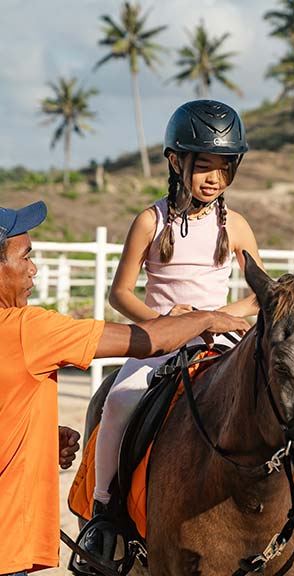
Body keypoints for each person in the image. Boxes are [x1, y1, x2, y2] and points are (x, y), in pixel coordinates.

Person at [0, 200, 249, 576]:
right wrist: (207, 316)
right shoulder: (27, 329)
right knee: (117, 402)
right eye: (26, 257)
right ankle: (106, 511)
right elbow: (146, 339)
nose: (34, 268)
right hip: (5, 548)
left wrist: (36, 442)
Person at [90, 99, 264, 525]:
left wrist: (216, 316)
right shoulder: (151, 221)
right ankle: (103, 509)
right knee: (117, 403)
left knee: (277, 399)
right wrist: (168, 323)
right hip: (161, 341)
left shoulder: (236, 225)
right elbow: (120, 293)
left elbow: (261, 295)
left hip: (221, 340)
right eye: (205, 166)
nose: (215, 178)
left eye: (224, 168)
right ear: (175, 161)